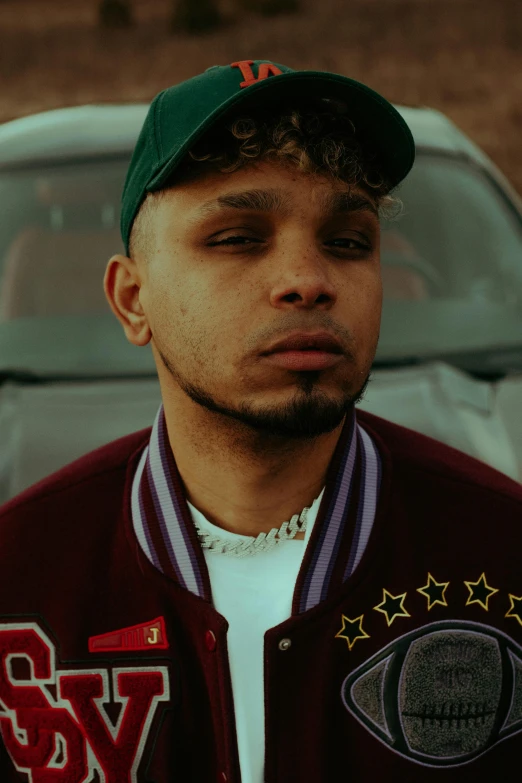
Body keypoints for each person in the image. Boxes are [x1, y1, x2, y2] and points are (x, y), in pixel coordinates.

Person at [0, 59, 521, 782]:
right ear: (131, 301)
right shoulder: (19, 573)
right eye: (238, 237)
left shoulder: (503, 552)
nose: (309, 278)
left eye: (347, 240)